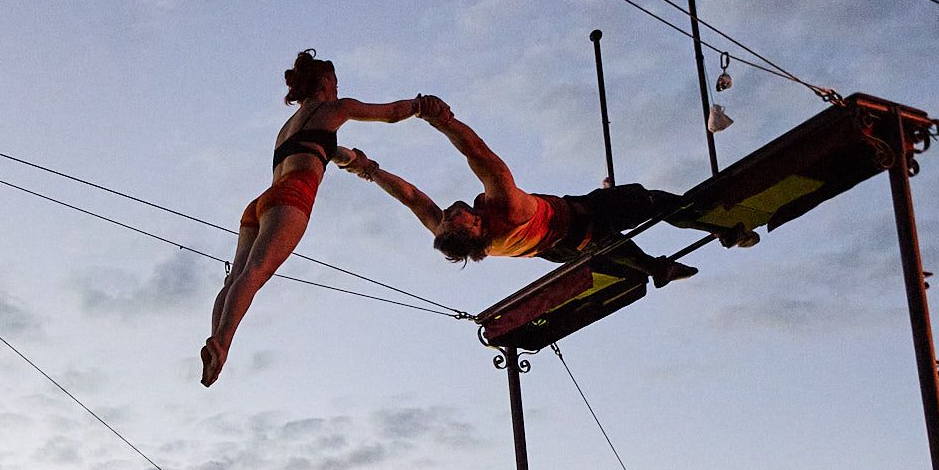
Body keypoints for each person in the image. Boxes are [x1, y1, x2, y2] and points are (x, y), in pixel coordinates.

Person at [334, 96, 750, 281]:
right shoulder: (507, 209)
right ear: (476, 228)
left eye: (443, 217)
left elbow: (409, 197)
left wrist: (362, 167)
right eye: (455, 216)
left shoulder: (449, 232)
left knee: (613, 251)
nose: (448, 211)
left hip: (558, 251)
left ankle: (660, 269)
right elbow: (478, 153)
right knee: (650, 203)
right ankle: (720, 228)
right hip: (581, 221)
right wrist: (439, 118)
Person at [200, 50, 429, 385]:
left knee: (235, 279)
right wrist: (421, 105)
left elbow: (327, 151)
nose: (338, 88)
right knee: (256, 273)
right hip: (292, 196)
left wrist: (357, 162)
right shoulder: (336, 108)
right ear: (325, 82)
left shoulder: (287, 127)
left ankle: (217, 338)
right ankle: (222, 344)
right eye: (335, 82)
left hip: (260, 202)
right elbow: (392, 113)